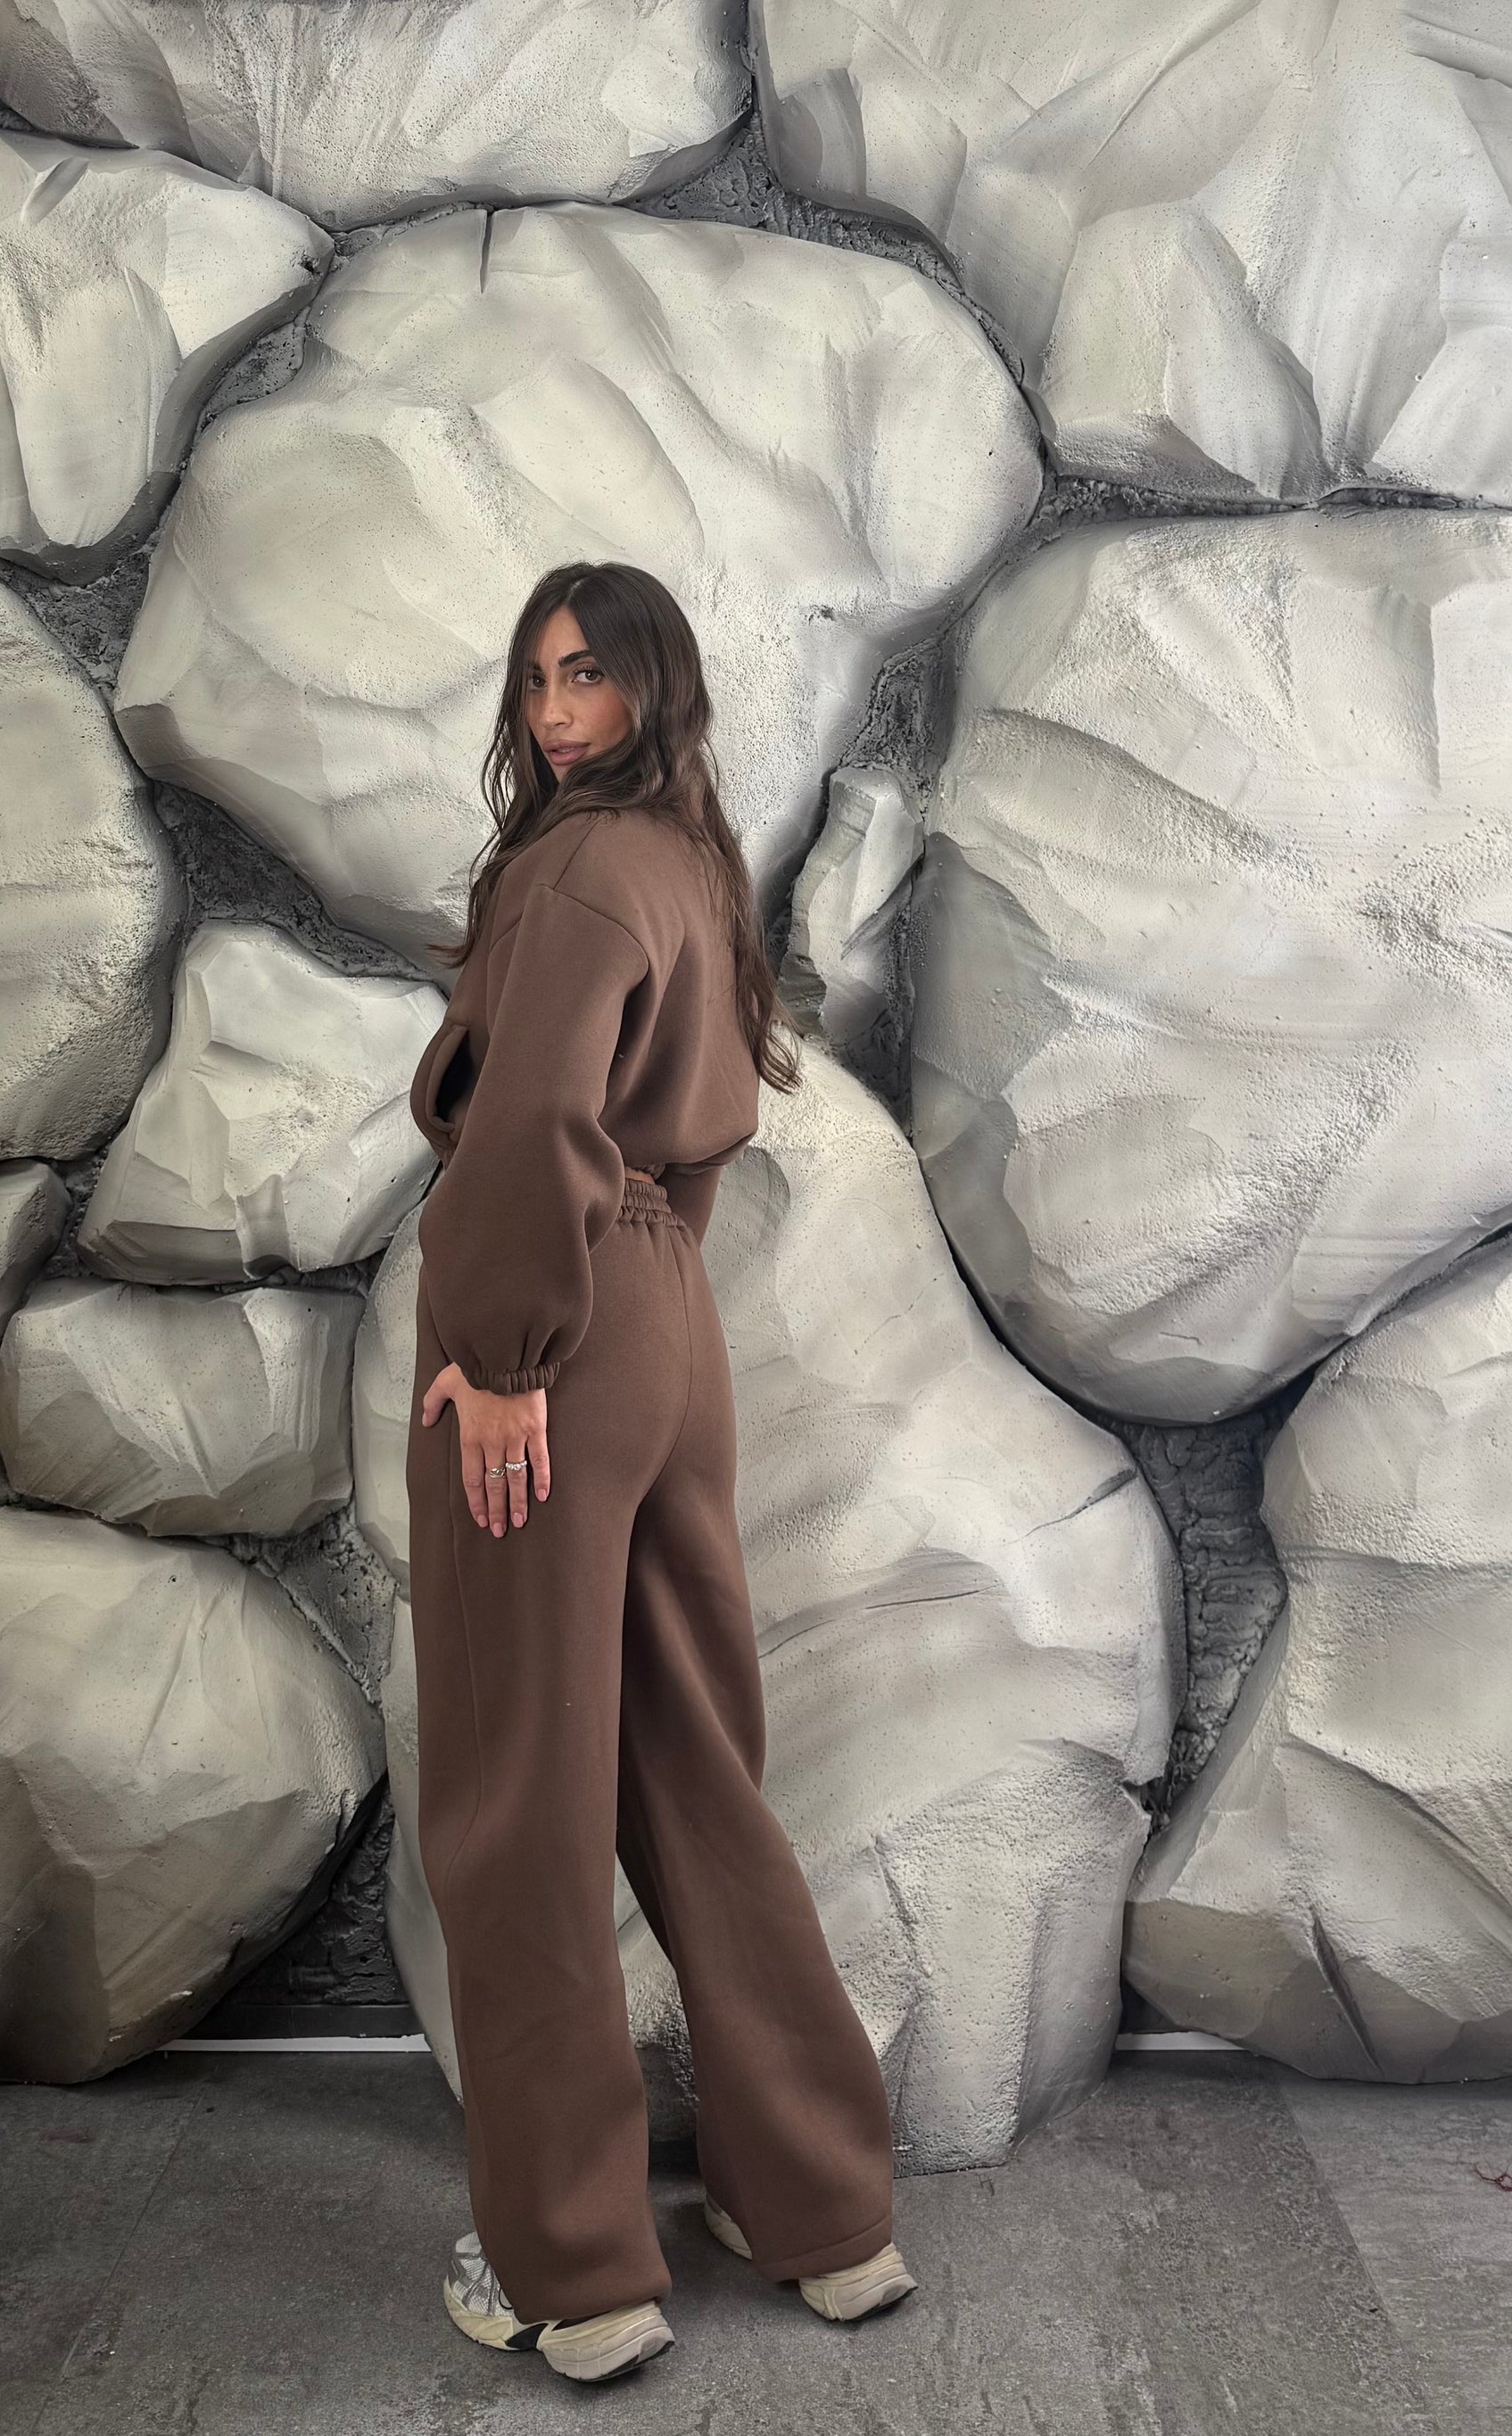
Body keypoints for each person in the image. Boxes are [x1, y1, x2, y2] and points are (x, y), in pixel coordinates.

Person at [403, 561, 913, 2385]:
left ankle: (573, 2268)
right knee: (694, 1764)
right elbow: (700, 1129)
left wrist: (503, 1362)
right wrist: (634, 1294)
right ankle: (824, 2211)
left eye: (590, 678)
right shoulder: (692, 867)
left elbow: (531, 1121)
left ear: (653, 690)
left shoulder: (571, 869)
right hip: (666, 1318)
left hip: (547, 1341)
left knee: (518, 1793)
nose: (556, 713)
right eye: (537, 677)